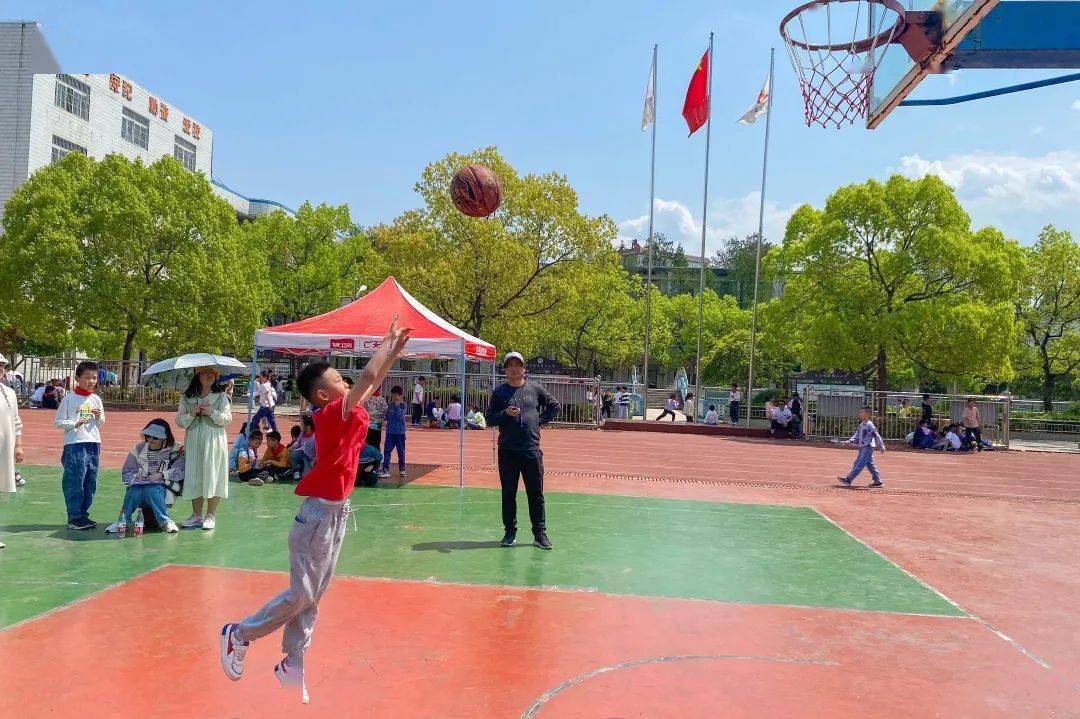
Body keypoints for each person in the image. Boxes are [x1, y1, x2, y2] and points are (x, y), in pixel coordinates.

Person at [220, 317, 410, 701]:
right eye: (339, 379)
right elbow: (368, 376)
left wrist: (393, 352)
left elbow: (373, 379)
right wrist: (385, 341)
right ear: (323, 395)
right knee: (301, 595)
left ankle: (293, 663)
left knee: (314, 595)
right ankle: (239, 634)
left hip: (337, 513)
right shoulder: (332, 414)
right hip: (318, 517)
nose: (347, 382)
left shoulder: (347, 409)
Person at [486, 351, 560, 550]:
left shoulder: (535, 389)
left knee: (536, 493)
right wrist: (505, 414)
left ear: (524, 368)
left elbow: (554, 406)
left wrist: (539, 421)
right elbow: (489, 419)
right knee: (508, 493)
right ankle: (510, 532)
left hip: (531, 450)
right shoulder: (500, 393)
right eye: (510, 365)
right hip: (508, 450)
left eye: (517, 364)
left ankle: (540, 534)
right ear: (505, 370)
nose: (514, 368)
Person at [176, 368, 233, 531]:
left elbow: (227, 419)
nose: (209, 376)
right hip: (193, 441)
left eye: (212, 373)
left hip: (214, 441)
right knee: (195, 475)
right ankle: (196, 515)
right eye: (205, 372)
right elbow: (179, 421)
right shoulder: (187, 397)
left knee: (213, 474)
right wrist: (191, 414)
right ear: (197, 375)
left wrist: (212, 412)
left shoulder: (221, 396)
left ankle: (210, 515)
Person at [55, 360, 105, 530]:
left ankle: (84, 514)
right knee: (74, 481)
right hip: (75, 444)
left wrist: (97, 416)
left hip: (93, 443)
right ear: (78, 378)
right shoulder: (69, 399)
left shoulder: (96, 399)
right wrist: (75, 424)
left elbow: (101, 422)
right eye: (87, 377)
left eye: (94, 378)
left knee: (91, 482)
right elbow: (59, 421)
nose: (91, 381)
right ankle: (74, 517)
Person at [113, 420, 180, 534]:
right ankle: (123, 521)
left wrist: (161, 475)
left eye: (155, 437)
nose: (151, 439)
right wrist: (135, 478)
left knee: (152, 489)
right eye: (148, 436)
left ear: (164, 438)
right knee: (134, 489)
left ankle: (165, 521)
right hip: (140, 488)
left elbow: (180, 470)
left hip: (163, 489)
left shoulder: (174, 449)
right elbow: (127, 471)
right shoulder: (138, 449)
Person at [0, 353, 24, 549]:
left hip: (4, 448)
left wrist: (18, 445)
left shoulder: (9, 393)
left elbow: (16, 421)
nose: (1, 369)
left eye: (2, 366)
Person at [837, 405, 885, 488]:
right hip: (863, 447)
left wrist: (881, 446)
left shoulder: (870, 425)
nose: (859, 414)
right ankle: (878, 481)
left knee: (859, 463)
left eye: (861, 412)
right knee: (870, 464)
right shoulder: (862, 425)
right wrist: (849, 441)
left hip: (867, 447)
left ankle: (848, 480)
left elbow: (876, 435)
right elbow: (856, 436)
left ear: (867, 414)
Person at [380, 385, 408, 478]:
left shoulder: (403, 405)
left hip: (400, 432)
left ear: (400, 395)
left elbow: (400, 417)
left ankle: (402, 469)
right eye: (392, 396)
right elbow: (387, 417)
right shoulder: (390, 405)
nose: (393, 398)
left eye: (395, 396)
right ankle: (385, 470)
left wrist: (397, 406)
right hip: (390, 432)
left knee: (401, 451)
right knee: (387, 451)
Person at [290, 416, 316, 481]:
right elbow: (298, 444)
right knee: (293, 454)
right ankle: (296, 471)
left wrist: (314, 461)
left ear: (308, 426)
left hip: (311, 459)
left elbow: (318, 452)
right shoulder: (302, 434)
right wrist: (291, 448)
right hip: (303, 454)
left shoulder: (314, 437)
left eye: (302, 425)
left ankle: (306, 470)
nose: (300, 426)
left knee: (305, 477)